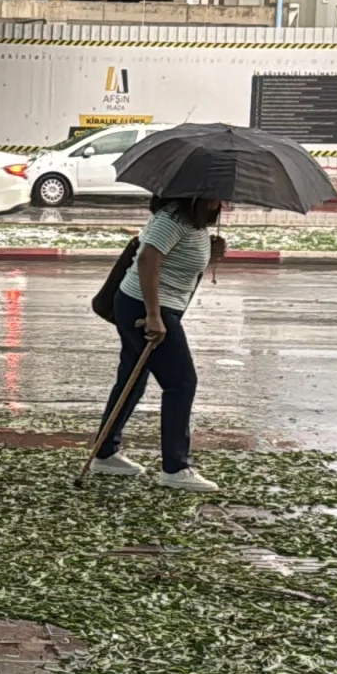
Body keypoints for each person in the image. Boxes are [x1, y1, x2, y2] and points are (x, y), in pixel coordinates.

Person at [89, 196, 227, 491]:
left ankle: (105, 452)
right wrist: (153, 315)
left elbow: (178, 262)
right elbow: (148, 259)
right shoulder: (172, 219)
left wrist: (211, 255)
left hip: (147, 305)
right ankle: (175, 468)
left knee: (132, 378)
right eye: (215, 194)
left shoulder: (193, 224)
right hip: (146, 307)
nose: (221, 201)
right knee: (181, 383)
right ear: (196, 194)